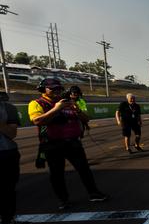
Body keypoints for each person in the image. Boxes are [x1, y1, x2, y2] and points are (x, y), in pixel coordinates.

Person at [28, 78, 108, 210]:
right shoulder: (37, 103)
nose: (56, 91)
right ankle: (63, 200)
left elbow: (86, 119)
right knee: (57, 173)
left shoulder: (68, 103)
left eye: (58, 88)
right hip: (52, 144)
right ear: (43, 90)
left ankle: (94, 193)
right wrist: (57, 109)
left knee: (84, 169)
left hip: (73, 143)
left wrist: (78, 110)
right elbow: (37, 121)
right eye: (52, 88)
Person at [0, 92, 30, 224]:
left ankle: (7, 219)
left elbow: (12, 133)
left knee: (8, 188)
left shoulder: (8, 108)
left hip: (6, 153)